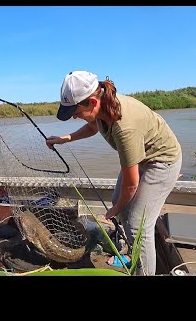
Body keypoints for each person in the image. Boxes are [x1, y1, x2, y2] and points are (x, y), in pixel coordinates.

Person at [46, 70, 182, 275]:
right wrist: (65, 139)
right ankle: (133, 255)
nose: (74, 116)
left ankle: (143, 269)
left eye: (75, 110)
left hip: (161, 162)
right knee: (121, 203)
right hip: (142, 157)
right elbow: (93, 127)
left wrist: (114, 211)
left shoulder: (124, 128)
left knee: (138, 226)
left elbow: (131, 185)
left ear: (92, 102)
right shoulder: (102, 107)